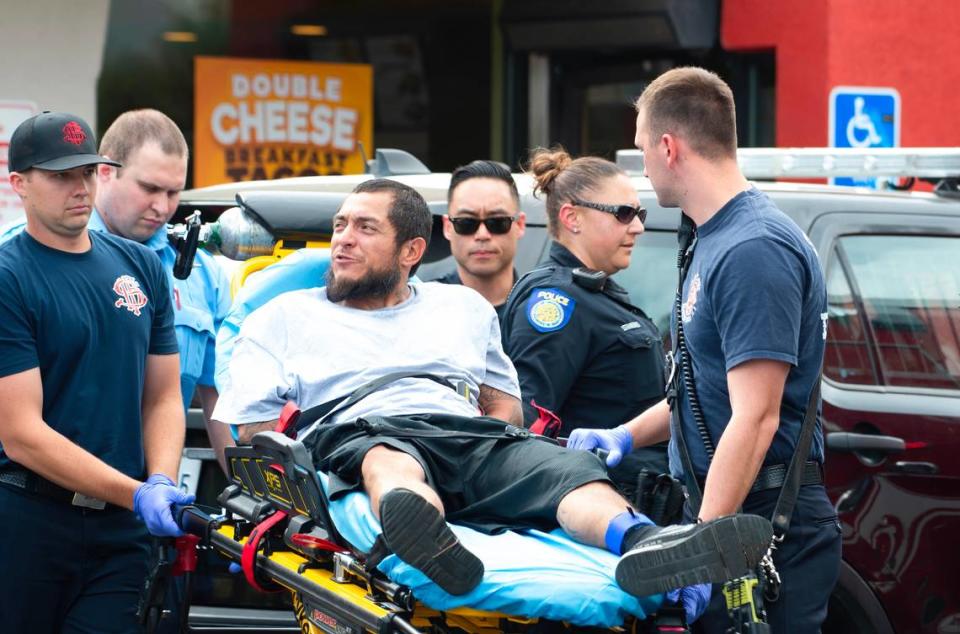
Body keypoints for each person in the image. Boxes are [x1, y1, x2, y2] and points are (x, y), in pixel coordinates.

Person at [212, 177, 774, 622]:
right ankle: (428, 539)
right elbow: (251, 429)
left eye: (363, 228)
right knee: (389, 459)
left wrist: (507, 455)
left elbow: (504, 408)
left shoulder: (461, 309)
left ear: (411, 249)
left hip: (465, 431)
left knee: (563, 468)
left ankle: (646, 543)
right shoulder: (285, 316)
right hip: (358, 427)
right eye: (340, 226)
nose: (342, 239)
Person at [569, 67, 841, 633]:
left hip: (761, 529)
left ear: (669, 147)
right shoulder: (713, 238)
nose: (642, 168)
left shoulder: (752, 248)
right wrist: (624, 435)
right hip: (731, 526)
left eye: (642, 149)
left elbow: (757, 416)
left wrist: (699, 549)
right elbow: (699, 392)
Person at [0, 111, 194, 632]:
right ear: (20, 184)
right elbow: (20, 434)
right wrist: (136, 493)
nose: (79, 187)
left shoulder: (143, 267)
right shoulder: (7, 276)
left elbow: (162, 397)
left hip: (121, 535)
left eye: (87, 171)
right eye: (61, 175)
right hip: (28, 523)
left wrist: (159, 479)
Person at [0, 109, 234, 473]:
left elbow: (218, 400)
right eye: (150, 188)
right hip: (38, 493)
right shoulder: (20, 256)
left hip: (144, 500)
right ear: (109, 173)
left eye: (174, 192)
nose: (163, 206)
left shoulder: (202, 273)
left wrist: (248, 497)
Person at [500, 148, 669, 497]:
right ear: (572, 218)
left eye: (639, 213)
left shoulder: (598, 293)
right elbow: (531, 427)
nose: (638, 226)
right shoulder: (557, 301)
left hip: (643, 494)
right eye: (623, 214)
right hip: (602, 503)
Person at [435, 160, 525, 320]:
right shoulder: (422, 313)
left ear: (519, 224)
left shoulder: (545, 308)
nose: (482, 234)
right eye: (466, 223)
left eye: (498, 222)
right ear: (447, 227)